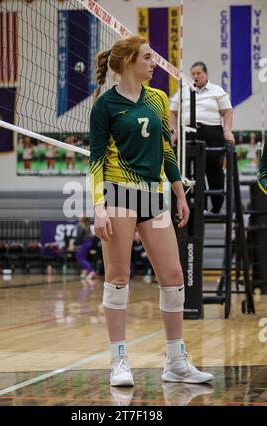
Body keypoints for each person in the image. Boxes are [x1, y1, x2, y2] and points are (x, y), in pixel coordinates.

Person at [90, 35, 214, 387]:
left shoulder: (158, 99)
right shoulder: (105, 106)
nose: (153, 63)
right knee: (117, 278)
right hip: (118, 193)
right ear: (129, 61)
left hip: (152, 196)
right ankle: (118, 361)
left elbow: (165, 149)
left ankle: (175, 361)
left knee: (174, 278)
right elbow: (96, 159)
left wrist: (179, 193)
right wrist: (99, 206)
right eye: (147, 57)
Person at [170, 61, 235, 214]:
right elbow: (173, 112)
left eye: (198, 73)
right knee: (192, 171)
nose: (195, 76)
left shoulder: (216, 90)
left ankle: (217, 205)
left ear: (206, 74)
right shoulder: (184, 90)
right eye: (193, 73)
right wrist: (174, 132)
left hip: (211, 133)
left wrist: (227, 131)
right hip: (189, 132)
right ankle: (201, 206)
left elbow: (228, 112)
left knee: (213, 170)